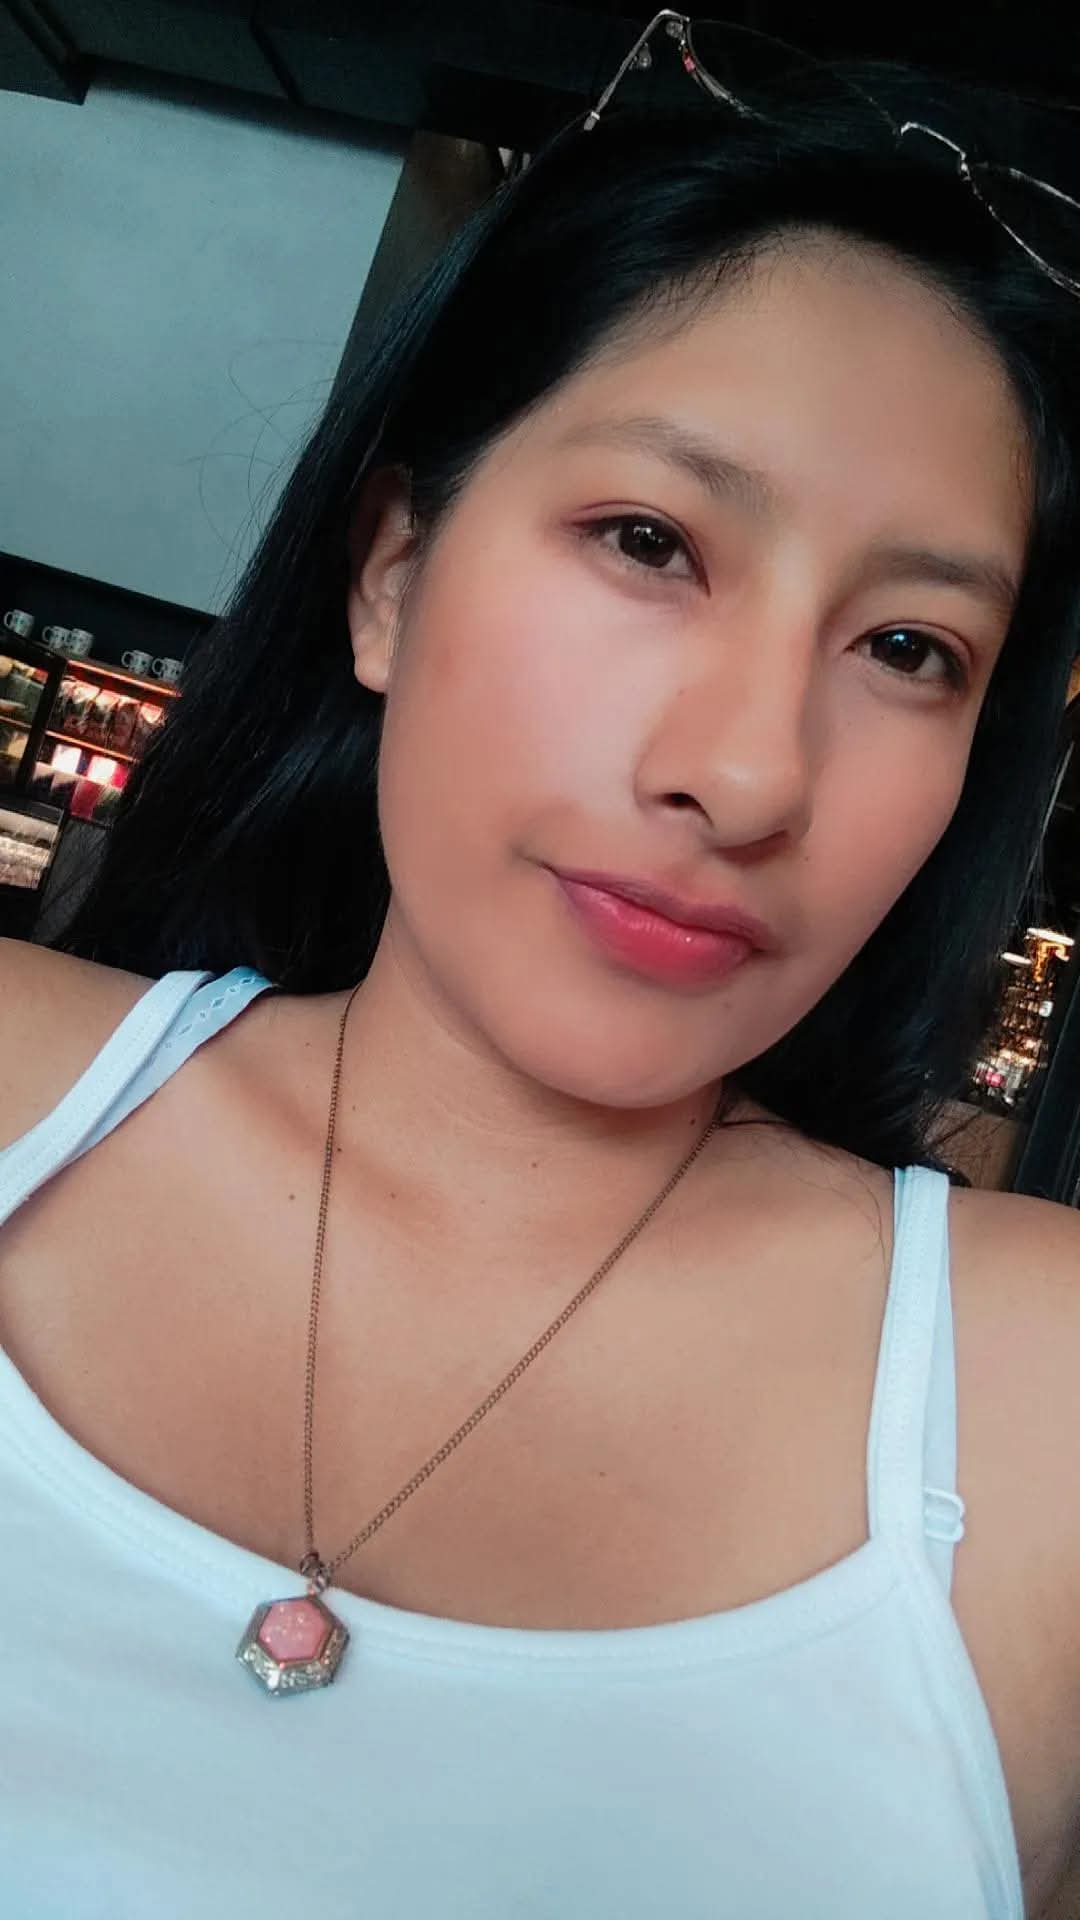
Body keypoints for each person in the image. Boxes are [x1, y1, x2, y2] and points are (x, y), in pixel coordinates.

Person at [1, 28, 1079, 1919]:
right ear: (391, 575)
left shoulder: (1038, 1399)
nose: (749, 773)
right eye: (649, 542)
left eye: (910, 649)